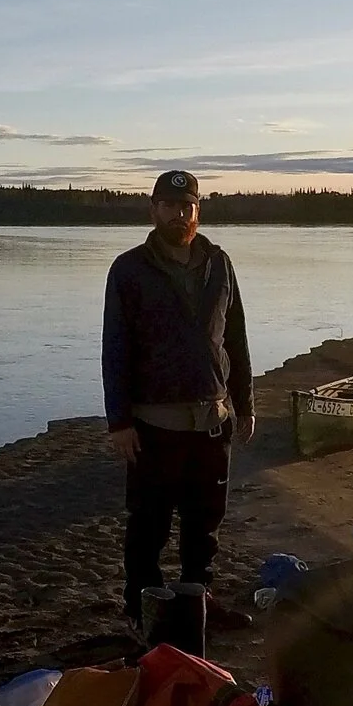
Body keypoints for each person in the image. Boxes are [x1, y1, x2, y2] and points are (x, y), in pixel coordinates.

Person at [102, 169, 255, 627]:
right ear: (154, 210)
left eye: (187, 206)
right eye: (169, 206)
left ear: (198, 211)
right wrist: (119, 422)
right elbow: (115, 349)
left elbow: (237, 338)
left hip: (212, 420)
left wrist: (245, 404)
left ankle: (197, 601)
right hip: (153, 426)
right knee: (148, 525)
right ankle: (141, 608)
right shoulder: (129, 269)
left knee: (203, 523)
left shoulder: (220, 263)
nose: (179, 213)